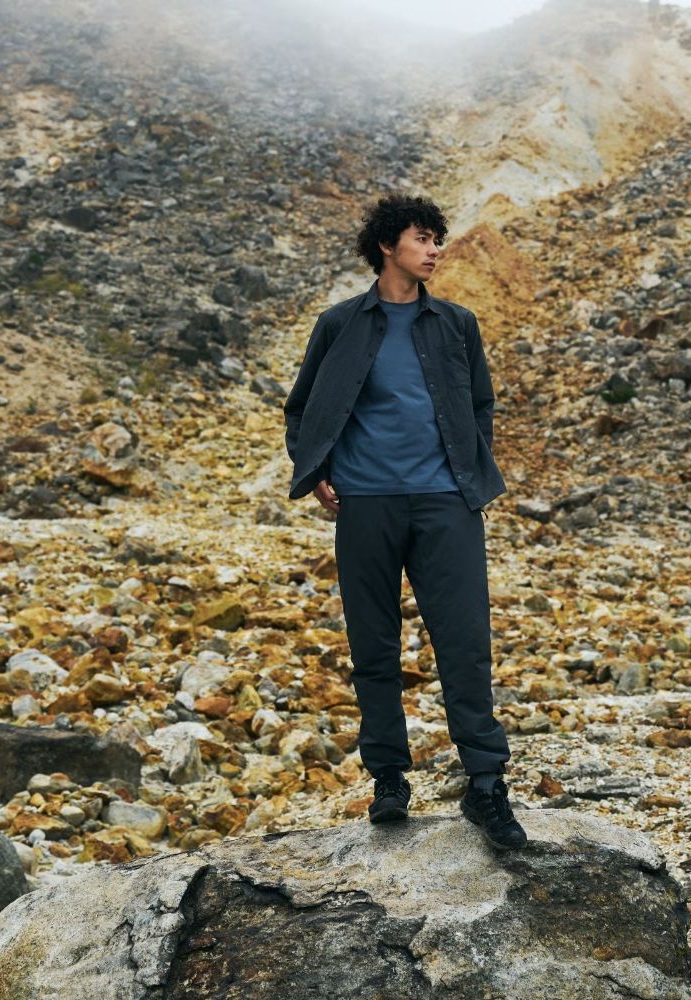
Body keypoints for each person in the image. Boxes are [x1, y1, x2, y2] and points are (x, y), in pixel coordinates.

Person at [283, 193, 527, 850]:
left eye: (436, 239)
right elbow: (302, 408)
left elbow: (480, 405)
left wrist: (469, 472)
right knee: (374, 645)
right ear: (387, 245)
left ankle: (486, 784)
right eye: (422, 238)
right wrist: (316, 468)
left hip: (446, 503)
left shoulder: (456, 324)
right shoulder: (340, 325)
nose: (435, 249)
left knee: (464, 643)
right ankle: (389, 778)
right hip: (365, 503)